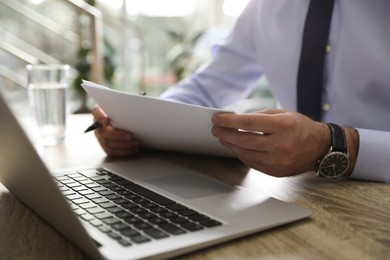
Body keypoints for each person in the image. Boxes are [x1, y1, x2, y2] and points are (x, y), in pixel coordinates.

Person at [92, 0, 390, 183]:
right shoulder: (265, 5)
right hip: (301, 193)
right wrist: (137, 120)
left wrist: (332, 145)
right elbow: (208, 86)